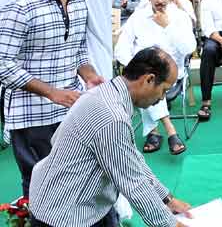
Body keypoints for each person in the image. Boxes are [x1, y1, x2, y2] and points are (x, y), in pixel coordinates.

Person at [29, 47, 193, 227]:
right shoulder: (112, 117)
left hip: (77, 204)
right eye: (163, 90)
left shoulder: (108, 92)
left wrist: (167, 198)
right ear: (149, 79)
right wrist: (171, 225)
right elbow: (133, 184)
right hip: (66, 216)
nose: (162, 98)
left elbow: (131, 159)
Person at [0, 0, 105, 197]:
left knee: (75, 181)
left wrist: (89, 75)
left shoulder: (79, 0)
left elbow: (77, 48)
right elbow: (2, 64)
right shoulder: (21, 7)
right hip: (31, 115)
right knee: (40, 187)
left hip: (70, 108)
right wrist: (51, 92)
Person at [115, 0, 195, 155]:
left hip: (171, 74)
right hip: (142, 73)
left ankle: (154, 132)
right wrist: (134, 68)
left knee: (148, 83)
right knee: (145, 80)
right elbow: (121, 48)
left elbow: (189, 48)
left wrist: (168, 26)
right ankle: (170, 130)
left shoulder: (180, 17)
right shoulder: (138, 16)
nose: (160, 1)